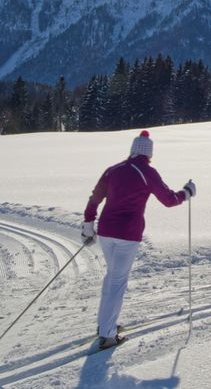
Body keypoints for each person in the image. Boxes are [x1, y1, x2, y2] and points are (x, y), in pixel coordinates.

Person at [82, 130, 196, 350]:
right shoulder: (147, 172)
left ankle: (106, 324)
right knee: (117, 281)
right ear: (149, 153)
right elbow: (169, 200)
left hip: (106, 230)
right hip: (127, 234)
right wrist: (187, 192)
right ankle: (107, 334)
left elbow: (95, 197)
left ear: (132, 150)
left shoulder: (113, 170)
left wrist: (88, 223)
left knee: (112, 276)